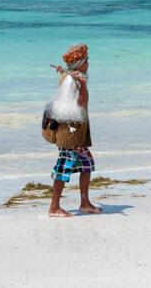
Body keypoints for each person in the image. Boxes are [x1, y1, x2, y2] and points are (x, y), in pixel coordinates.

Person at [47, 43, 102, 217]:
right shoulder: (75, 81)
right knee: (63, 169)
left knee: (86, 165)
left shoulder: (68, 75)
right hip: (69, 133)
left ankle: (85, 203)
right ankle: (54, 207)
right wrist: (83, 86)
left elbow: (66, 79)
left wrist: (63, 71)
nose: (88, 64)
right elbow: (80, 105)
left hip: (76, 132)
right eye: (86, 61)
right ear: (79, 64)